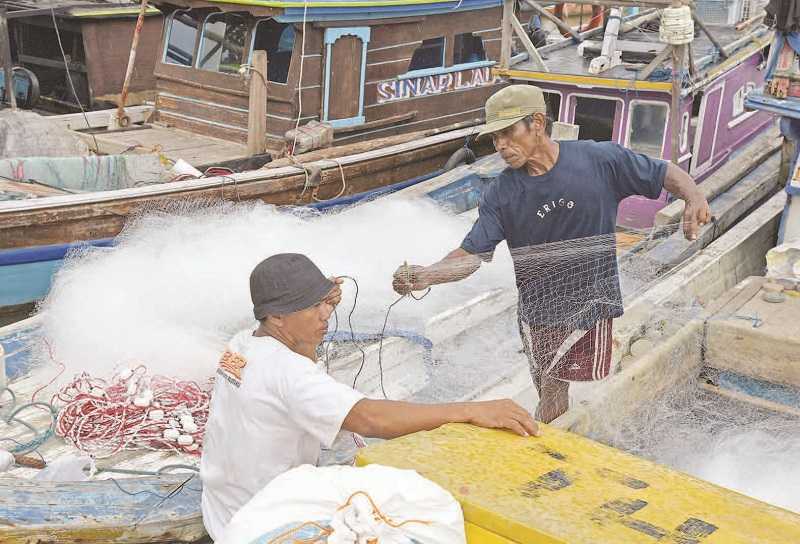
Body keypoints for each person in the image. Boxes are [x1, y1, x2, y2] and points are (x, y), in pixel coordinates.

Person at [392, 84, 711, 425]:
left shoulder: (599, 161)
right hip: (539, 310)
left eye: (508, 132)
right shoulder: (502, 193)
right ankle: (551, 438)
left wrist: (695, 197)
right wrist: (425, 276)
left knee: (554, 390)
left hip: (591, 301)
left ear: (538, 123)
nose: (500, 145)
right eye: (494, 137)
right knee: (548, 387)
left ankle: (543, 447)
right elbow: (471, 256)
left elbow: (663, 172)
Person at [200, 253, 539, 540]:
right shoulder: (287, 373)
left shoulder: (244, 342)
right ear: (276, 317)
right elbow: (370, 419)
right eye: (313, 307)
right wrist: (470, 410)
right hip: (260, 522)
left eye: (326, 302)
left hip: (222, 503)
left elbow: (300, 361)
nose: (326, 314)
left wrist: (312, 310)